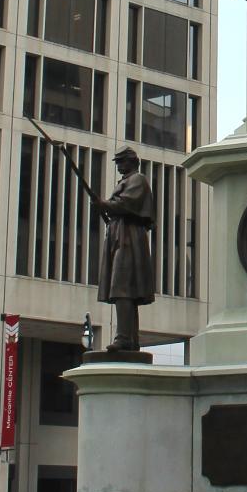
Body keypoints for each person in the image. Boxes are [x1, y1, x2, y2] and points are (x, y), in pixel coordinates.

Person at [96, 148, 155, 351]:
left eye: (122, 161)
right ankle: (129, 339)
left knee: (122, 287)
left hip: (128, 237)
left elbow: (126, 203)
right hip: (118, 233)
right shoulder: (124, 182)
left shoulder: (138, 179)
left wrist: (105, 204)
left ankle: (124, 338)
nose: (119, 165)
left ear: (133, 162)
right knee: (123, 288)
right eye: (117, 162)